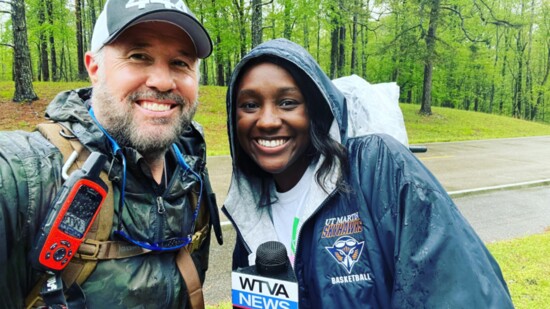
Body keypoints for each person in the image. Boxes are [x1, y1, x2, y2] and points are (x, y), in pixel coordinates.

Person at [222, 38, 514, 308]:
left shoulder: (377, 166)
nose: (268, 120)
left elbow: (460, 291)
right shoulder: (249, 215)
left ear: (315, 110)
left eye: (287, 102)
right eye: (249, 105)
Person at [0, 1, 222, 308]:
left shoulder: (191, 169)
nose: (162, 81)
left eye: (180, 63)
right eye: (139, 56)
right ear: (94, 68)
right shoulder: (29, 174)